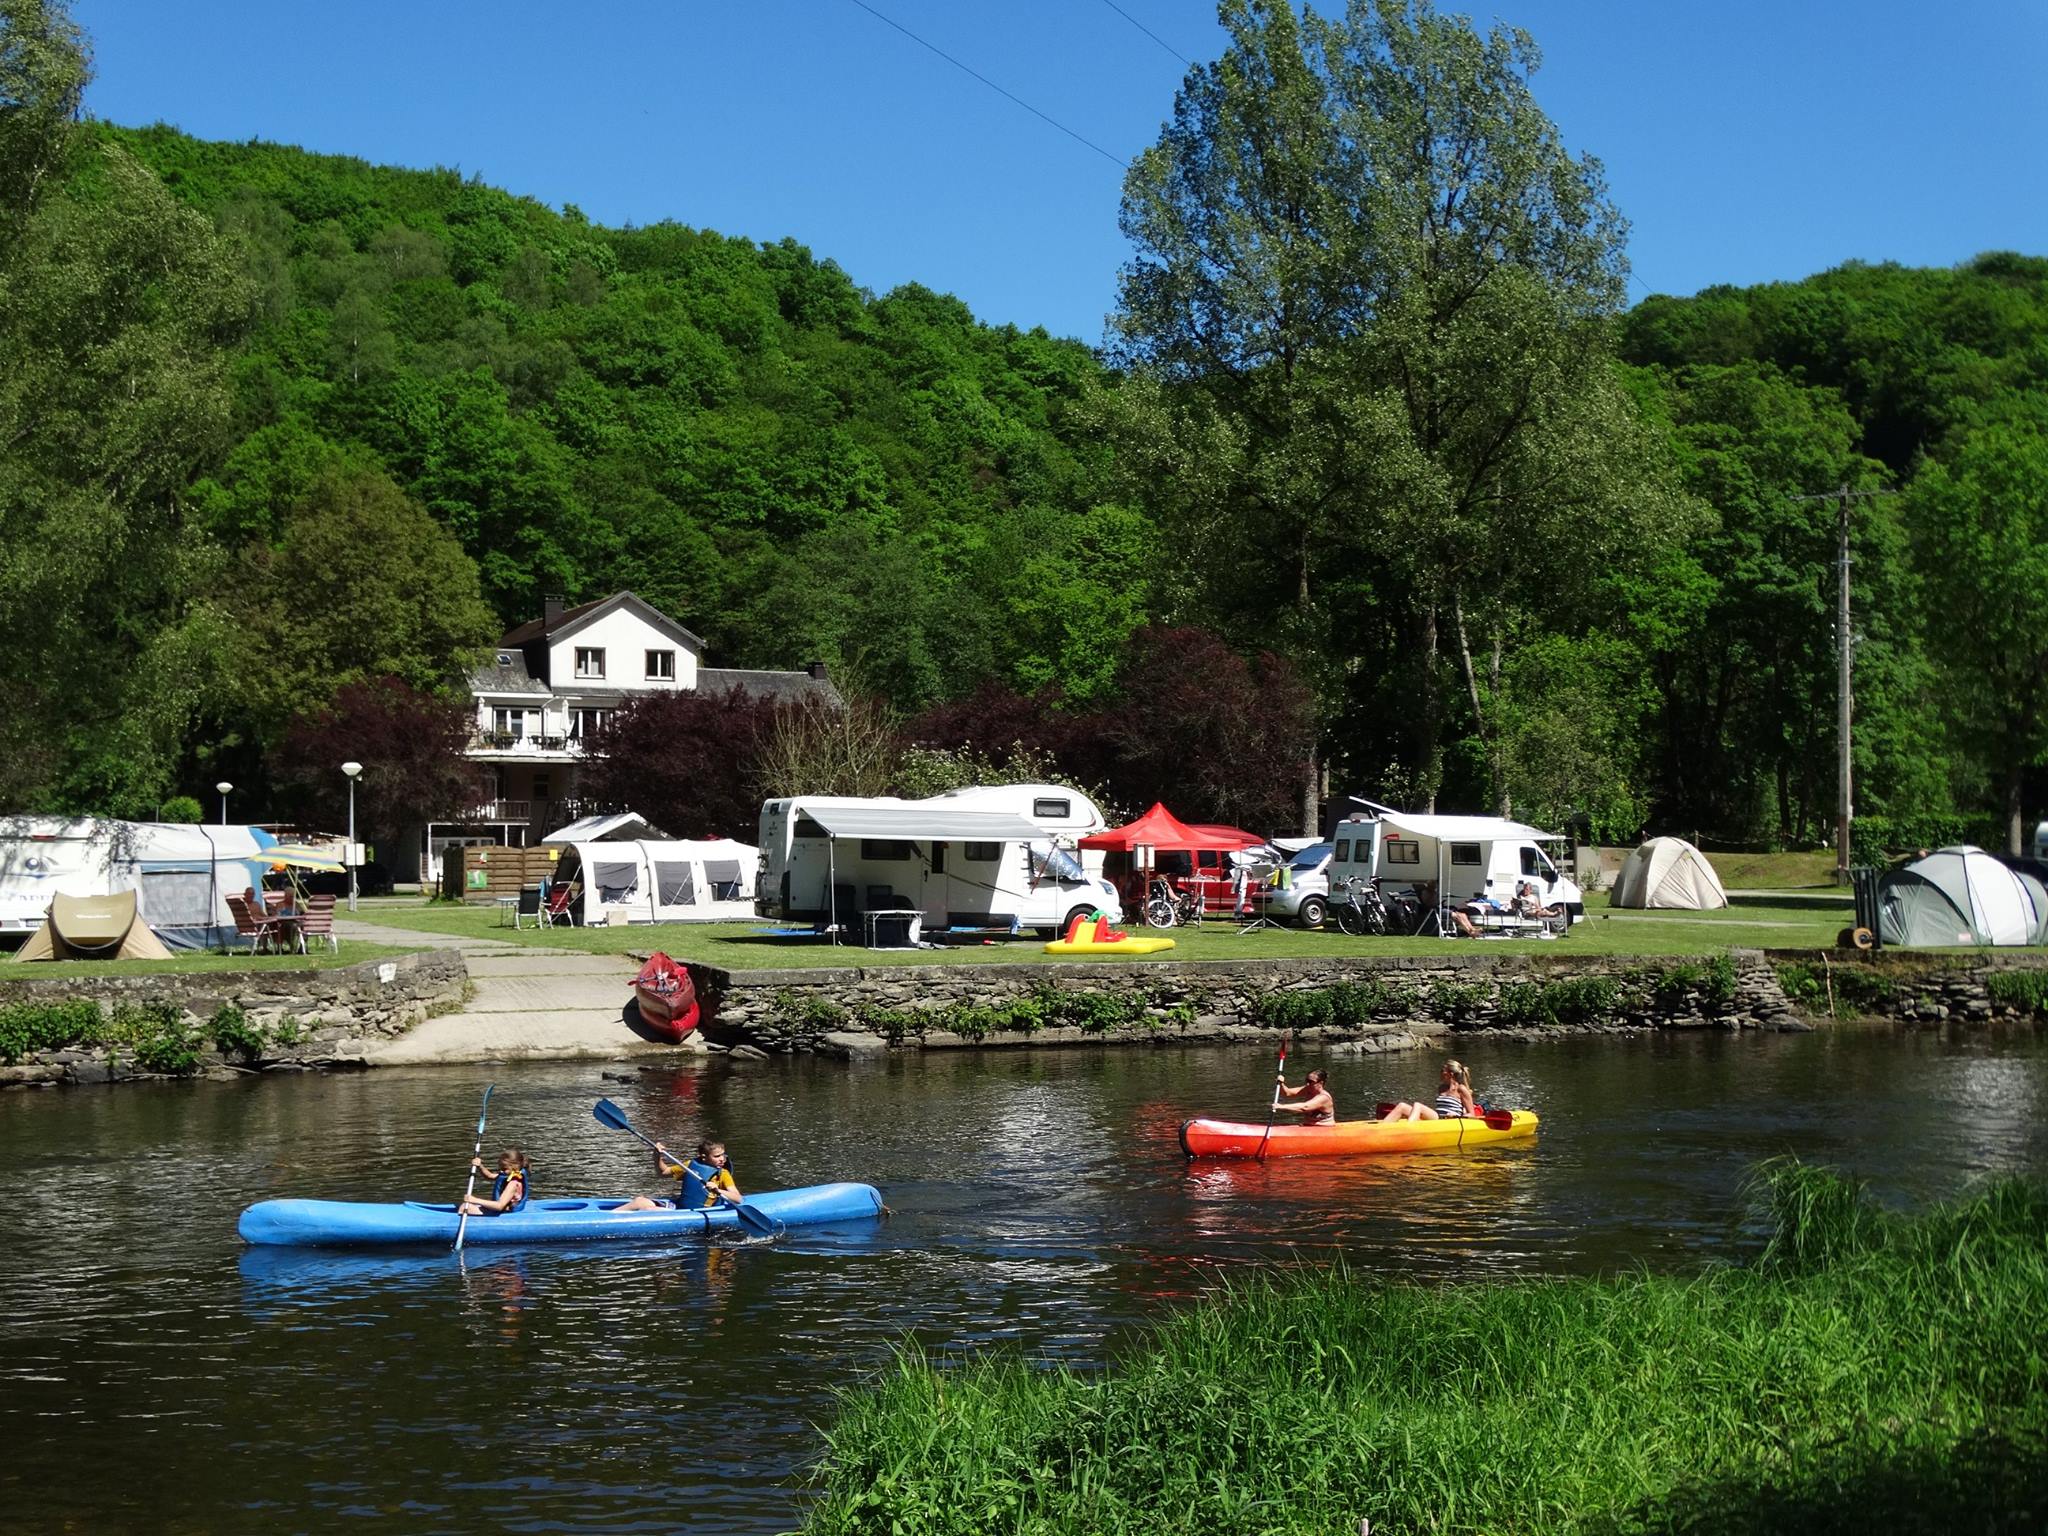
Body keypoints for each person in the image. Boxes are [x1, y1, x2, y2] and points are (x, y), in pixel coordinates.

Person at [615, 1139, 744, 1213]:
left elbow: (738, 1199)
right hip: (680, 1207)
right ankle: (609, 1216)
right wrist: (657, 1156)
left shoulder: (723, 1174)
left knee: (649, 1209)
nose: (722, 1159)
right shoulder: (690, 1165)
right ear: (703, 1157)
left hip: (697, 1212)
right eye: (717, 1156)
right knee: (639, 1201)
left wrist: (718, 1190)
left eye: (723, 1155)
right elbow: (663, 1172)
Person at [1381, 1060, 1476, 1123]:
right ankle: (1380, 1129)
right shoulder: (1442, 1088)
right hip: (1438, 1118)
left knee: (1418, 1105)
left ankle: (1408, 1129)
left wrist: (1457, 1116)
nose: (1440, 1073)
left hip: (1451, 1121)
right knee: (1402, 1106)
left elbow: (1471, 1114)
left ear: (1450, 1074)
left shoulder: (1461, 1089)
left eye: (1442, 1070)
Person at [458, 1148, 530, 1215]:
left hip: (504, 1212)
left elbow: (499, 1206)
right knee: (464, 1205)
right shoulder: (507, 1174)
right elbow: (489, 1176)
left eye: (504, 1169)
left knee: (464, 1207)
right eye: (500, 1168)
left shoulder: (513, 1184)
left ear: (515, 1167)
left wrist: (475, 1200)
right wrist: (480, 1166)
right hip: (500, 1209)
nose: (501, 1171)